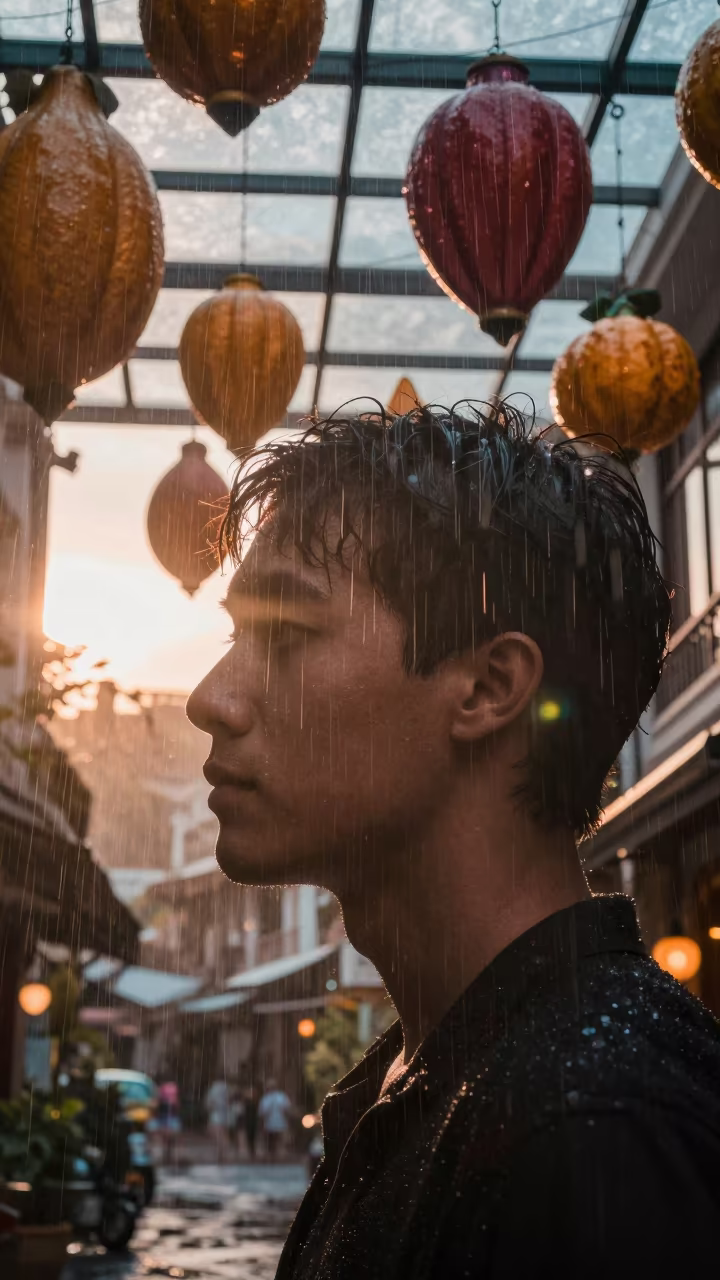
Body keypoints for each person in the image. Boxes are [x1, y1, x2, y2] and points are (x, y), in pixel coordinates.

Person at [187, 404, 720, 1277]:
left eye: (285, 634)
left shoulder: (597, 1129)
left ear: (487, 686)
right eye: (238, 635)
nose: (210, 698)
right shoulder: (448, 1077)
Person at [258, 1079, 293, 1161]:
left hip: (278, 1123)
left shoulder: (278, 1097)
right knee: (273, 1142)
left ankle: (277, 1157)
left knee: (276, 1141)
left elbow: (286, 1110)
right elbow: (262, 1113)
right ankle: (274, 1157)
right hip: (271, 1124)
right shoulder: (269, 1098)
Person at [205, 1076, 232, 1165]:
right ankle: (223, 1152)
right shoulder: (226, 1088)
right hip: (224, 1114)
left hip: (215, 1114)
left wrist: (210, 1108)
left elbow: (209, 1102)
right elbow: (229, 1101)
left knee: (217, 1134)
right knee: (222, 1134)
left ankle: (221, 1153)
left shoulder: (213, 1089)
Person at [242, 1082, 260, 1161]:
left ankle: (253, 1150)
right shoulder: (246, 1102)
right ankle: (250, 1151)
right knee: (249, 1136)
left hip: (254, 1121)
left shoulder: (256, 1102)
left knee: (253, 1136)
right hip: (248, 1121)